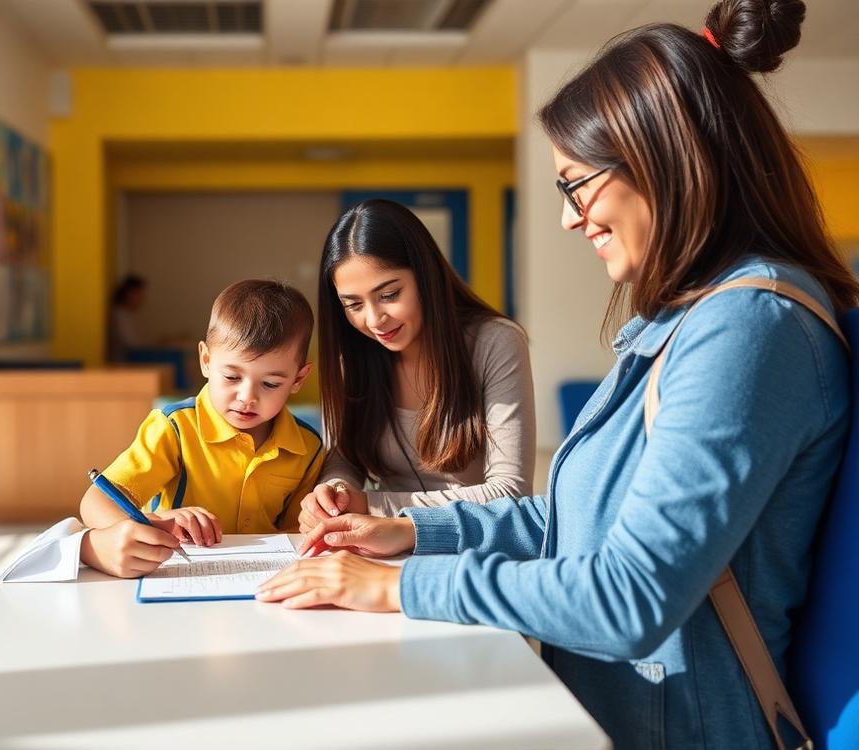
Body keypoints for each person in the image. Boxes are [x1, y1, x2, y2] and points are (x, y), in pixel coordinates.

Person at [258, 2, 859, 748]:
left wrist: (396, 589)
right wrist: (408, 533)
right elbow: (574, 523)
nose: (572, 217)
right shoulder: (692, 323)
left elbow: (630, 597)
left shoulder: (748, 331)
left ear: (663, 162)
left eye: (578, 185)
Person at [297, 199, 535, 531]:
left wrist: (371, 504)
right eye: (353, 304)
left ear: (425, 276)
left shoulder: (495, 342)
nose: (374, 319)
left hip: (473, 547)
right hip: (382, 544)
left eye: (389, 294)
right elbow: (345, 456)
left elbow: (511, 494)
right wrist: (335, 491)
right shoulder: (353, 356)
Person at [79, 279, 325, 577]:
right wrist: (151, 522)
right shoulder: (174, 428)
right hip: (181, 579)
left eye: (271, 383)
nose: (247, 397)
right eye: (232, 377)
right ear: (206, 360)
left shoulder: (309, 447)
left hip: (264, 586)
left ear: (299, 379)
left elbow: (299, 534)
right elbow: (95, 502)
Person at [107, 274, 147, 363]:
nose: (143, 299)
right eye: (140, 295)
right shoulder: (119, 316)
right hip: (121, 367)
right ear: (129, 294)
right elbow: (133, 348)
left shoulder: (126, 316)